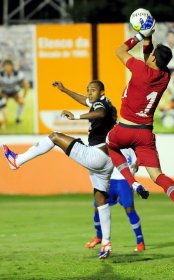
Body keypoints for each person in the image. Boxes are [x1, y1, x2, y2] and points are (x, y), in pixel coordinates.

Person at [2, 80, 117, 259]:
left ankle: (18, 160)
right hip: (108, 161)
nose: (89, 93)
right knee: (101, 198)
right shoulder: (106, 102)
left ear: (102, 91)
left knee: (55, 136)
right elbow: (86, 101)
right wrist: (65, 90)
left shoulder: (101, 105)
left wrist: (76, 117)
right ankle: (106, 243)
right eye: (88, 90)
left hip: (96, 157)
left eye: (93, 90)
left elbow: (99, 113)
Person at [106, 18, 174, 232]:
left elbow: (119, 50)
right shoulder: (164, 76)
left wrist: (140, 35)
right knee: (157, 176)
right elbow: (149, 56)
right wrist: (150, 35)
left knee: (110, 145)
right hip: (145, 134)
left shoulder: (140, 70)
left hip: (124, 130)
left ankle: (132, 183)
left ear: (153, 58)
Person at [86, 148, 146, 253]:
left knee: (129, 209)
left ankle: (140, 241)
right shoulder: (108, 140)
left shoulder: (130, 143)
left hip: (124, 180)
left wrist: (136, 163)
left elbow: (139, 156)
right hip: (109, 178)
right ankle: (99, 236)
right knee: (98, 206)